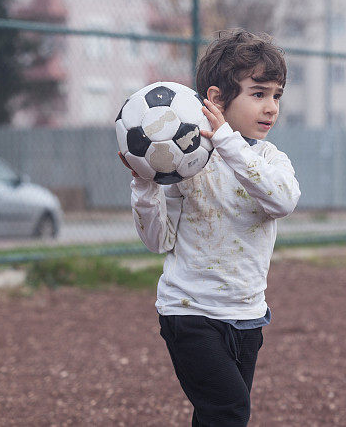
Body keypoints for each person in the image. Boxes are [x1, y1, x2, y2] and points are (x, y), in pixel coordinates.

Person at [119, 28, 301, 426]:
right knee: (229, 411)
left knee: (216, 416)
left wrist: (227, 142)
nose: (271, 107)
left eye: (276, 96)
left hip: (248, 314)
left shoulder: (271, 160)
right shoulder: (187, 163)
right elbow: (157, 240)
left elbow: (281, 200)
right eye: (258, 94)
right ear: (216, 99)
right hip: (189, 312)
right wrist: (144, 184)